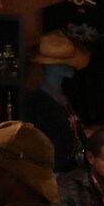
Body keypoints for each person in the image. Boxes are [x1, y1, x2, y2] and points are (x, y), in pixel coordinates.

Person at [25, 31, 90, 173]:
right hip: (52, 177)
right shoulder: (36, 102)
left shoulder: (67, 97)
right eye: (64, 62)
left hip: (73, 175)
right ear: (50, 65)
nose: (71, 66)